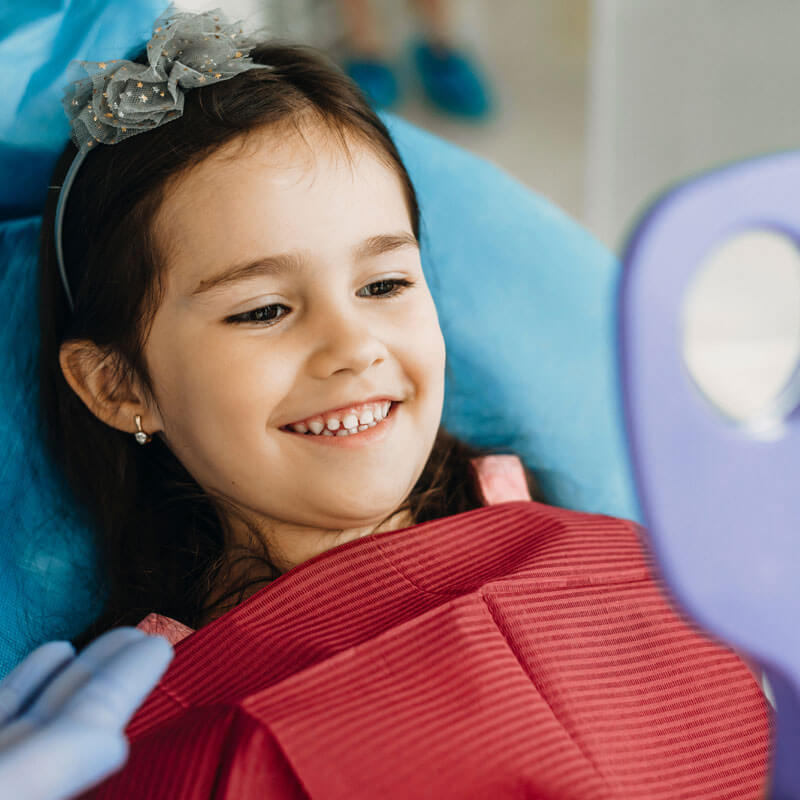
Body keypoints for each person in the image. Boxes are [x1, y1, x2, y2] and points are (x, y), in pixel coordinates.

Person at [25, 5, 770, 798]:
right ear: (120, 385)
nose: (353, 347)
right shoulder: (155, 732)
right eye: (263, 310)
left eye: (383, 285)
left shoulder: (597, 544)